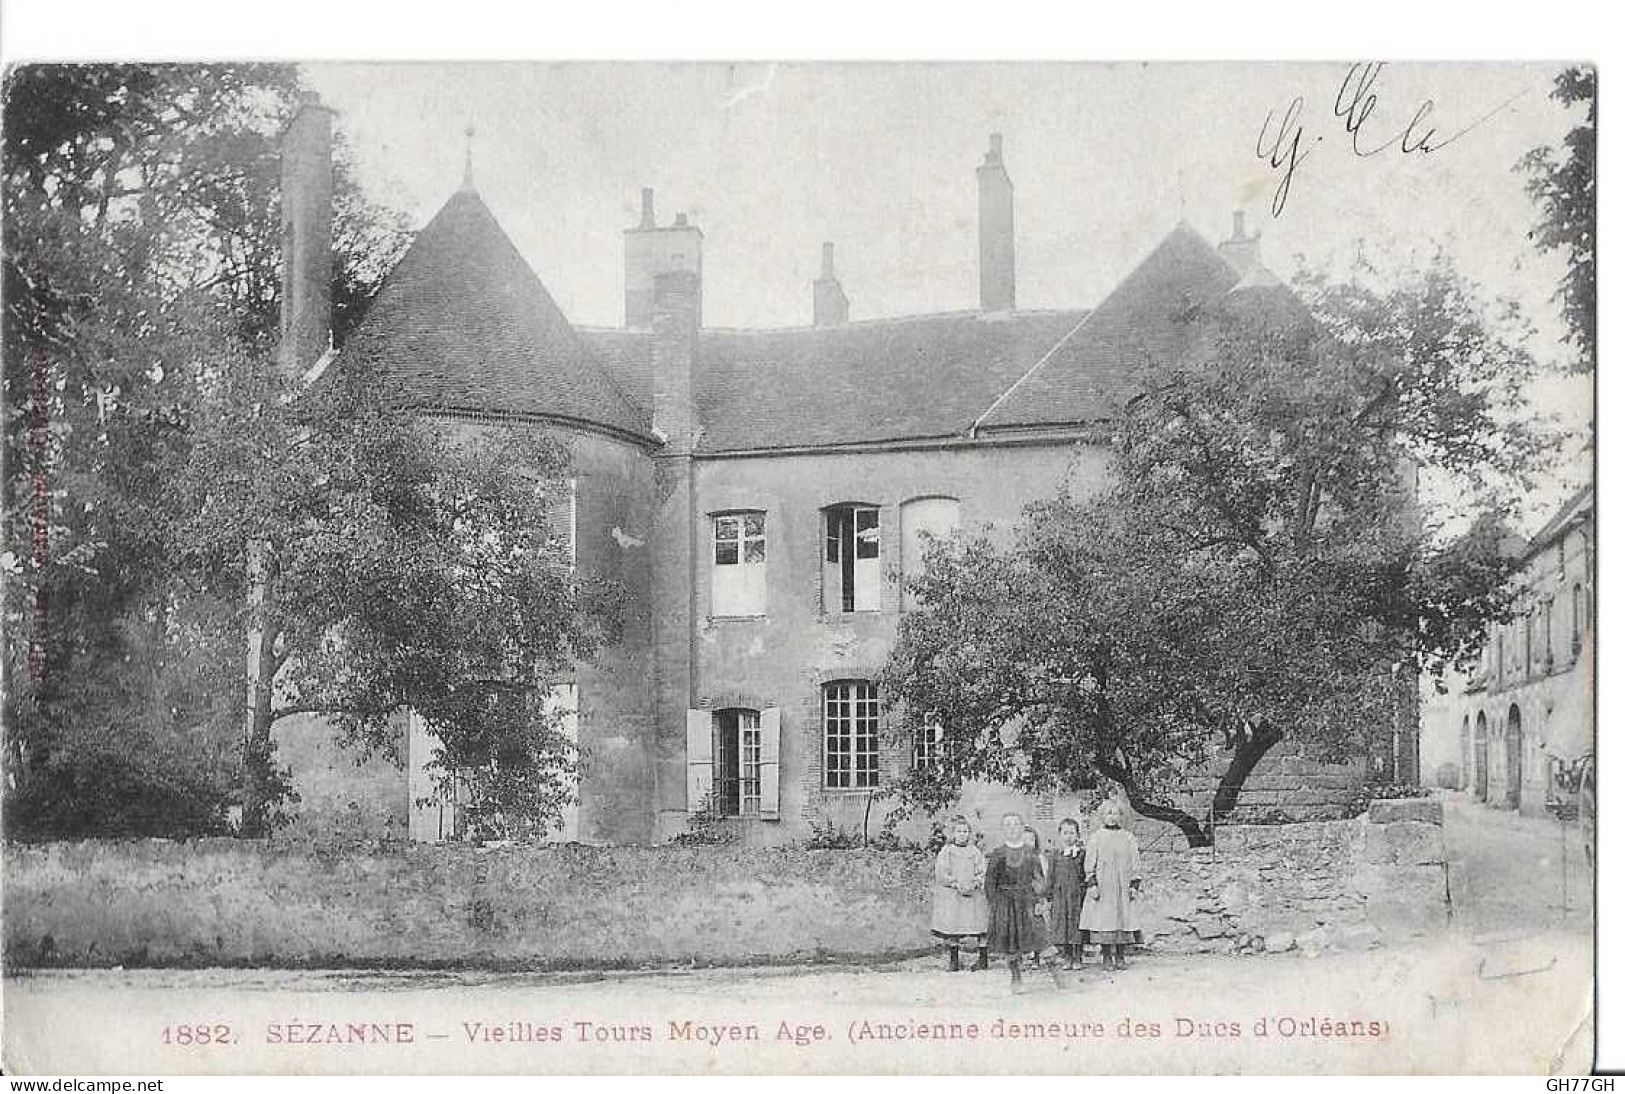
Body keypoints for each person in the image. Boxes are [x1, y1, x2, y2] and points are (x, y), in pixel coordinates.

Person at [984, 812, 1060, 991]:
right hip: (1006, 904)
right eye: (1008, 825)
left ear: (1022, 827)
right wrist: (995, 906)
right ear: (1003, 829)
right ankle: (1016, 978)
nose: (1012, 828)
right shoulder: (998, 854)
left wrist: (1040, 900)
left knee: (1041, 937)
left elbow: (1038, 879)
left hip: (1028, 901)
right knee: (1011, 942)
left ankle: (1057, 976)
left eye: (1016, 824)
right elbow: (990, 883)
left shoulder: (1030, 852)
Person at [1080, 799, 1143, 970]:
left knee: (1123, 918)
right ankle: (1107, 956)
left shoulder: (1128, 838)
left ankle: (1120, 955)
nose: (1112, 817)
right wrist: (1092, 884)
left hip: (1122, 886)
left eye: (1115, 813)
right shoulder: (1096, 838)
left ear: (1121, 816)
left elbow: (1135, 863)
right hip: (1104, 887)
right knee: (1104, 920)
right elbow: (1089, 864)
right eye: (1108, 813)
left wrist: (1133, 885)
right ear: (1102, 816)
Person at [930, 815, 988, 971]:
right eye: (959, 831)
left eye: (965, 831)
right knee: (953, 925)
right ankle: (954, 961)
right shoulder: (947, 851)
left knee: (980, 924)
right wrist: (955, 884)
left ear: (969, 834)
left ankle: (983, 960)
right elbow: (941, 872)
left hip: (972, 893)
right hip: (954, 894)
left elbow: (982, 870)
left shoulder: (975, 852)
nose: (963, 834)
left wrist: (974, 883)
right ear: (953, 833)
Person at [1049, 817, 1087, 969]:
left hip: (1077, 895)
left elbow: (1085, 873)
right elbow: (1050, 876)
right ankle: (1066, 956)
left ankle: (1077, 957)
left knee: (1076, 925)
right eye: (1065, 833)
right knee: (1062, 925)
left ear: (1077, 835)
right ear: (1060, 835)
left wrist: (1085, 890)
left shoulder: (1081, 854)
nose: (1069, 836)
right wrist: (1048, 894)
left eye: (1072, 833)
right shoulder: (1055, 855)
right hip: (1060, 895)